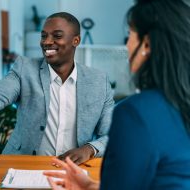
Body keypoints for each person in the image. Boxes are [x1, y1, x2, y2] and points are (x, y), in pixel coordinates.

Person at [44, 0, 190, 189]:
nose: (127, 45)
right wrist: (90, 186)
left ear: (146, 44)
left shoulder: (136, 113)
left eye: (130, 35)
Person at [0, 12, 114, 165]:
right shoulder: (25, 69)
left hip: (74, 170)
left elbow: (111, 135)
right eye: (43, 36)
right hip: (23, 166)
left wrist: (89, 149)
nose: (47, 42)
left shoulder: (99, 81)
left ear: (76, 40)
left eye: (57, 36)